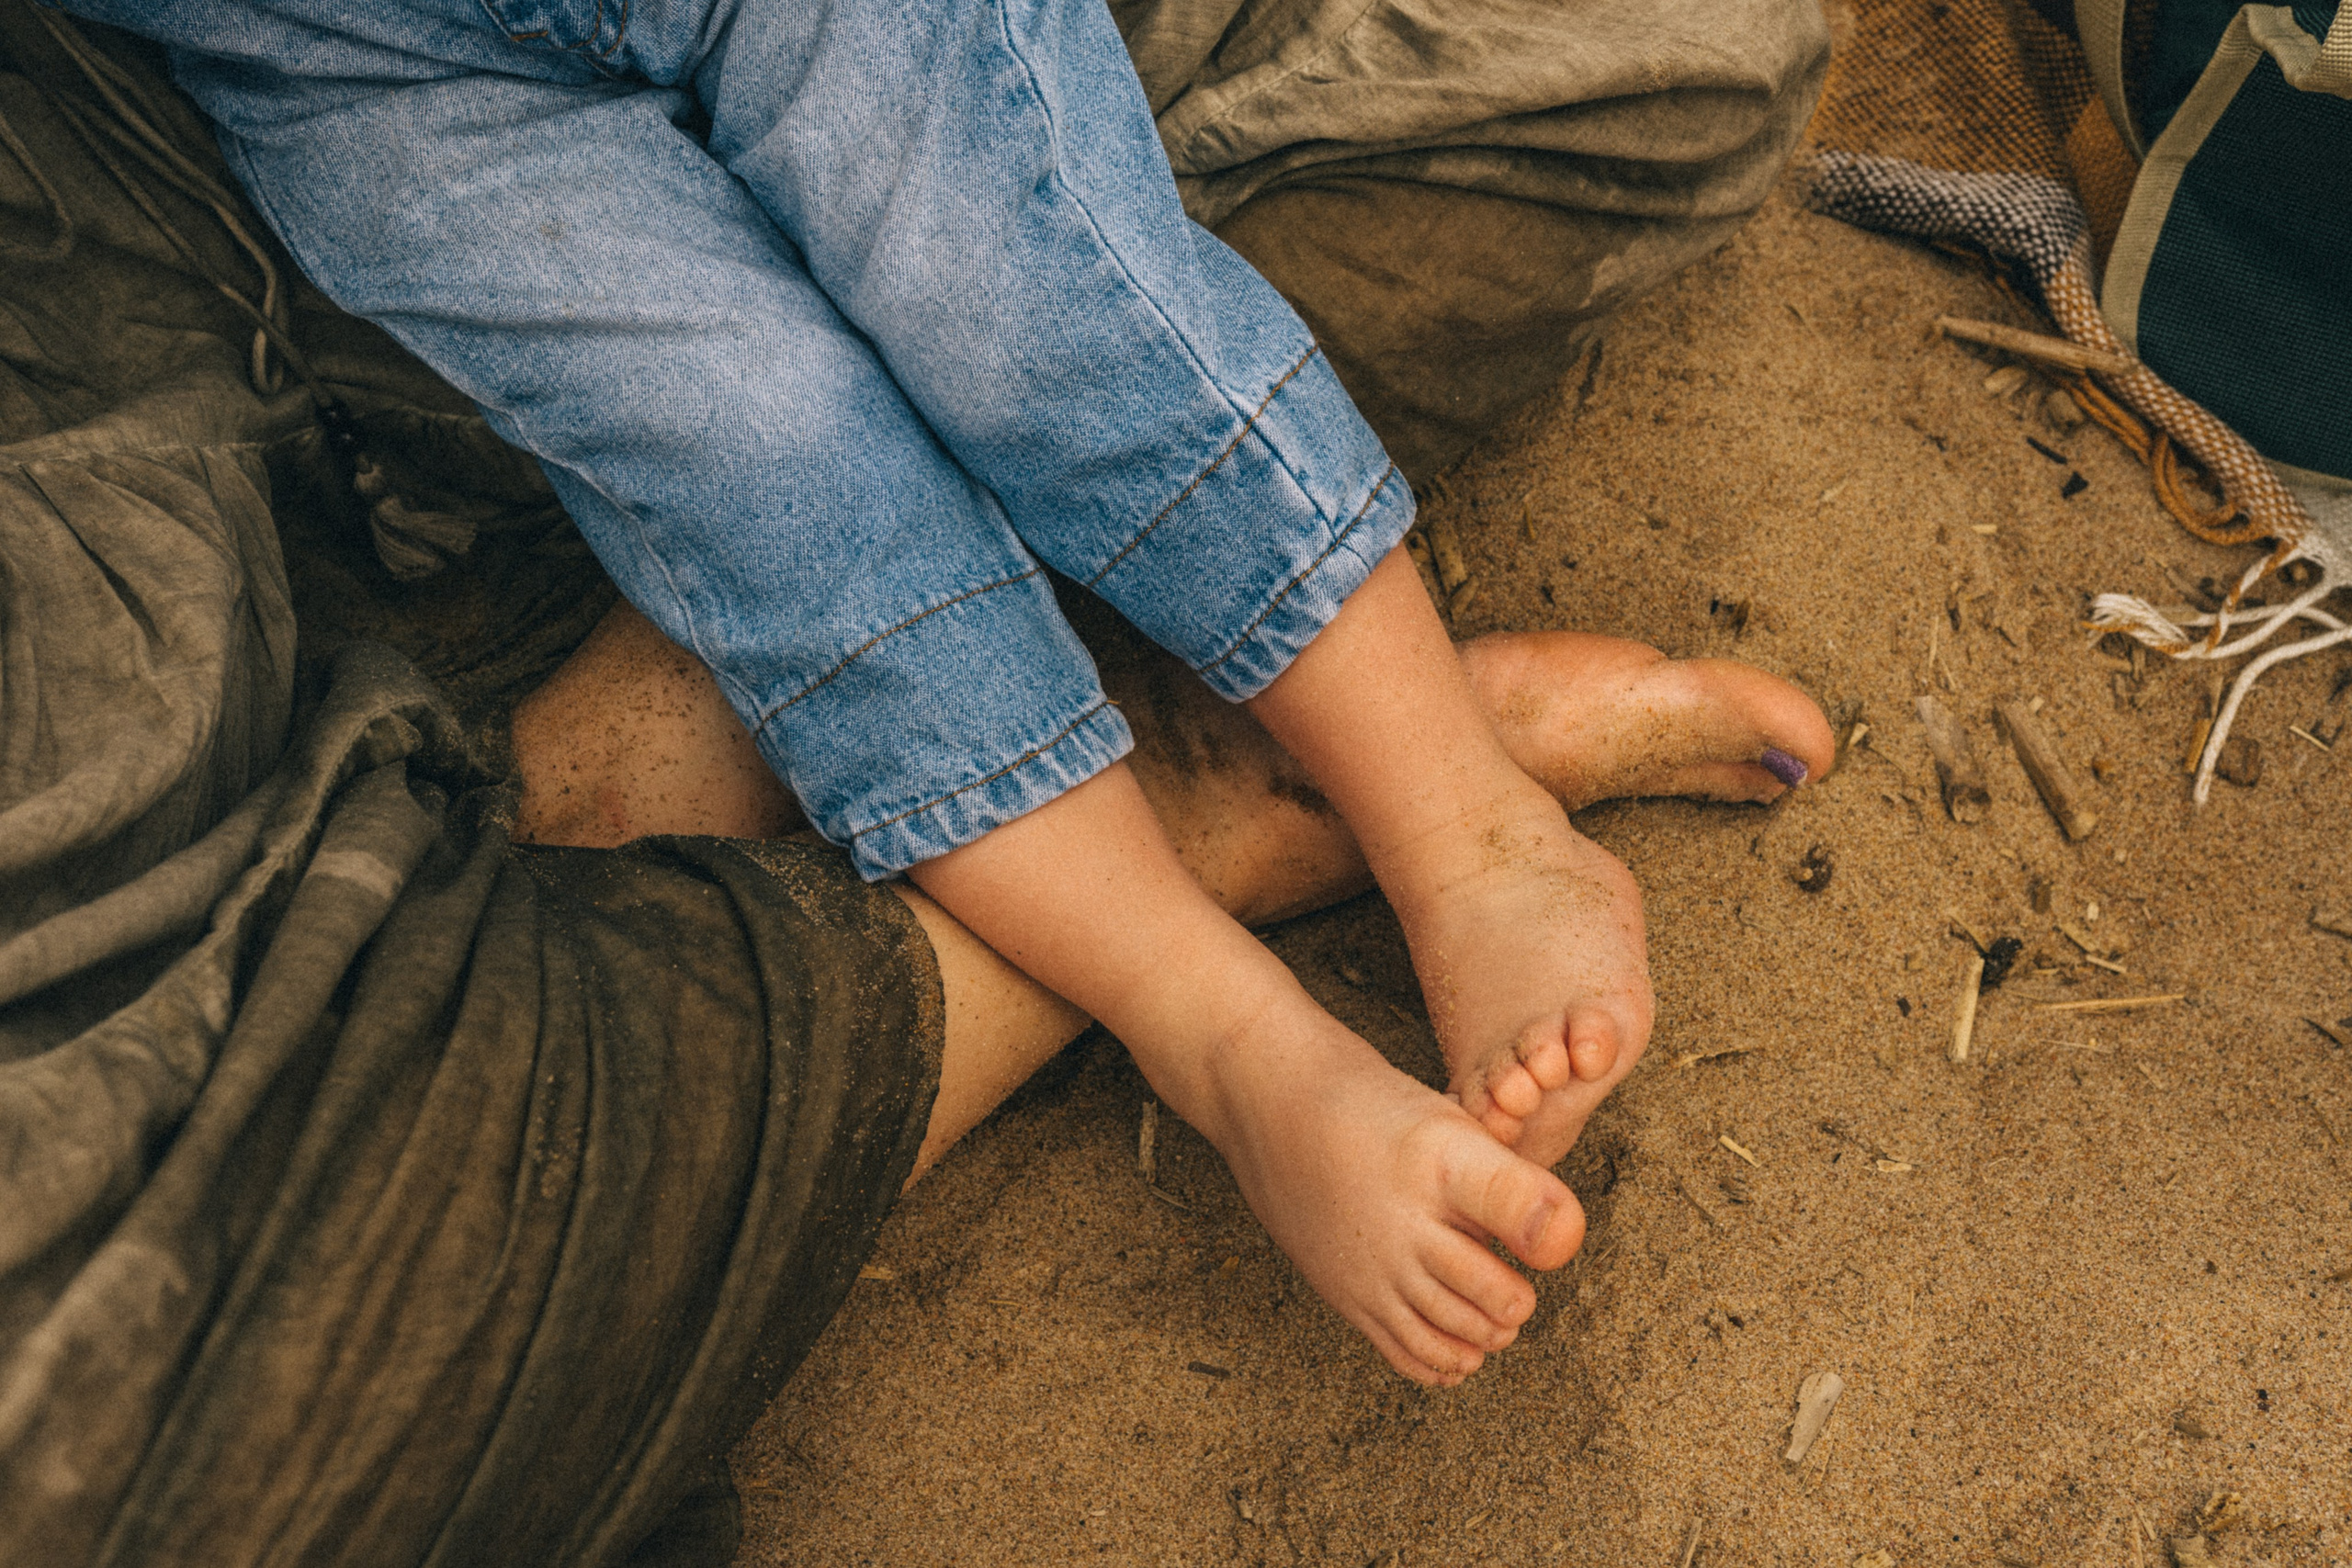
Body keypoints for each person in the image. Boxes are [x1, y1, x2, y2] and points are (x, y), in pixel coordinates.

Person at [52, 0, 1830, 1387]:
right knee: (765, 463)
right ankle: (1229, 1040)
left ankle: (1466, 829)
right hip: (341, 60)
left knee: (1029, 277)